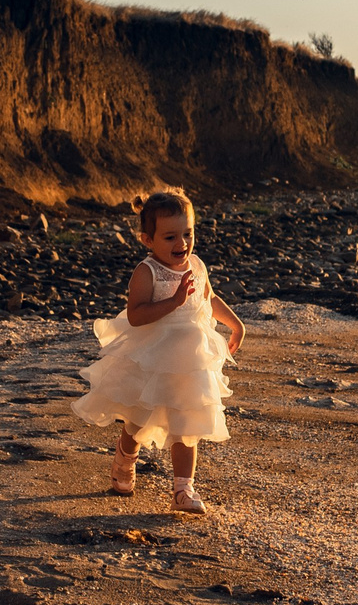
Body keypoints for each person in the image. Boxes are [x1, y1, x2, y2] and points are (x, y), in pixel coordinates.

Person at [70, 187, 244, 513]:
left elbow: (209, 298)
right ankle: (125, 458)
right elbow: (136, 316)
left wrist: (236, 324)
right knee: (138, 418)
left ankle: (183, 490)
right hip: (153, 353)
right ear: (147, 240)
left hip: (190, 358)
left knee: (187, 420)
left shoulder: (196, 264)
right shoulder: (146, 272)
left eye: (187, 234)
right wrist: (174, 302)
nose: (181, 244)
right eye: (169, 237)